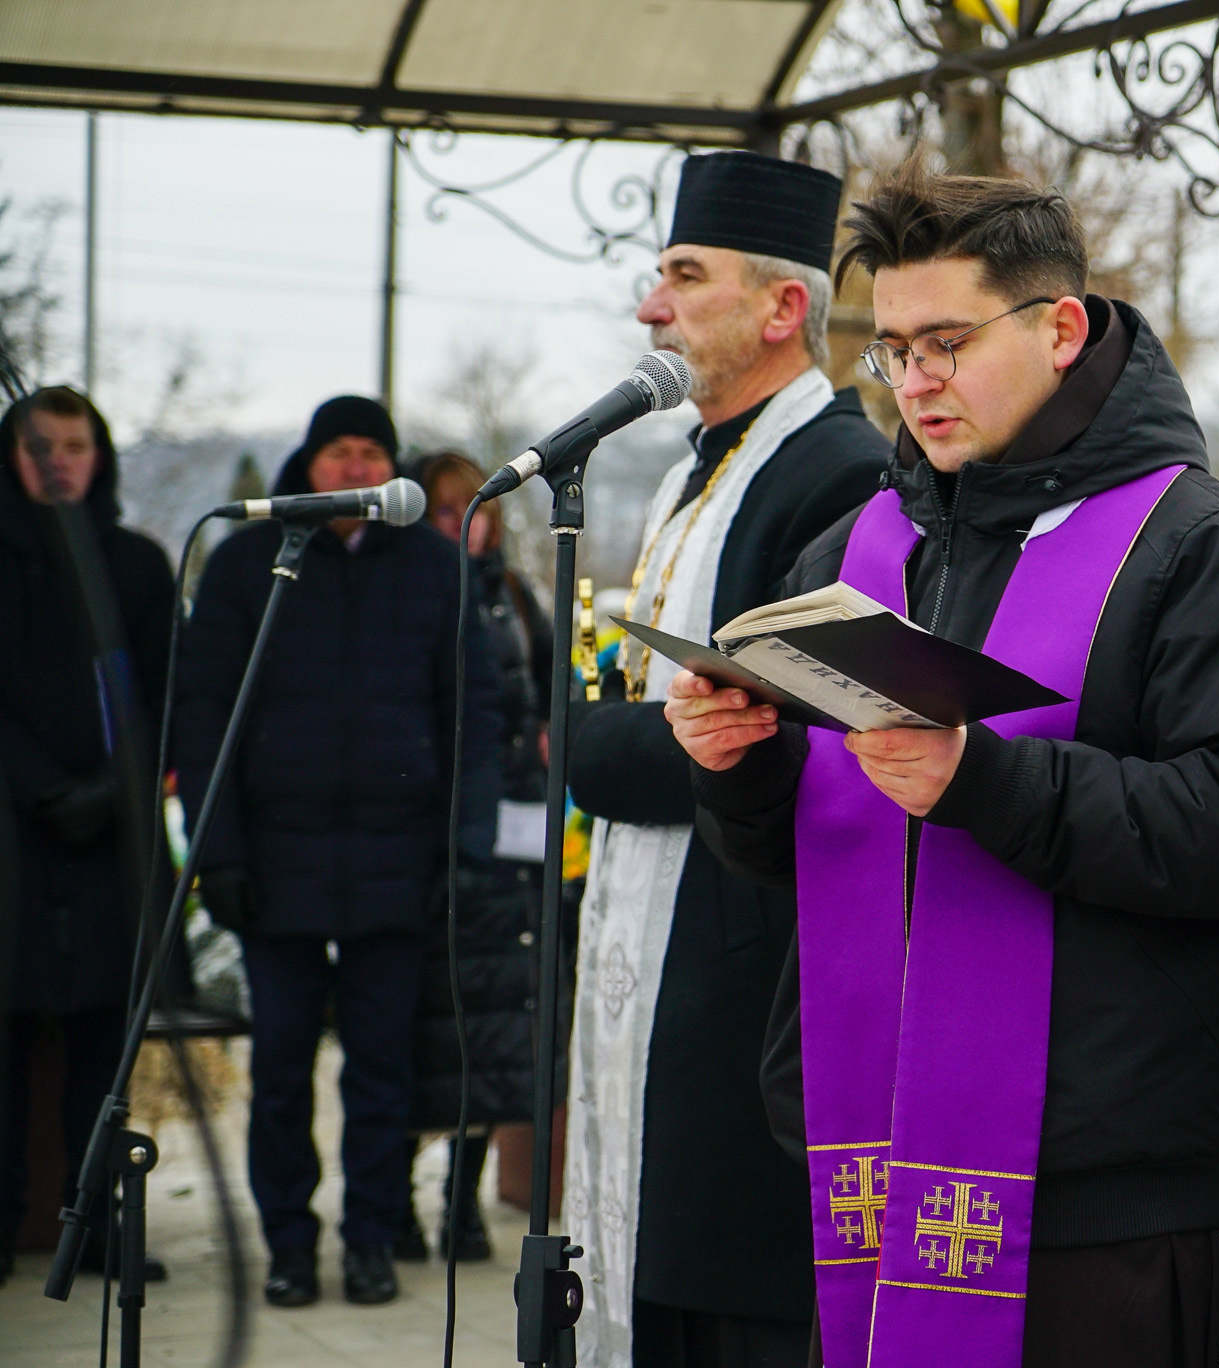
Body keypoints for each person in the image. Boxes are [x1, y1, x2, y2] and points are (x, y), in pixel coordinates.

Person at [670, 165, 1219, 1368]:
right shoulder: (859, 548)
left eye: (946, 342)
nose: (915, 380)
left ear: (1059, 326)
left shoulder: (1198, 549)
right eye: (890, 350)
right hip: (868, 1164)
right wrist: (741, 767)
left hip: (1095, 1196)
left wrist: (984, 782)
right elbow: (799, 858)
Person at [560, 150, 892, 1368]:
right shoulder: (691, 473)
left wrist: (604, 743)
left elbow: (788, 724)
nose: (653, 308)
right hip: (663, 925)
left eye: (683, 278)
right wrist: (624, 735)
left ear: (781, 306)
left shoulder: (838, 475)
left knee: (729, 1291)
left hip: (743, 944)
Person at [174, 396, 500, 1308]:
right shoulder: (250, 562)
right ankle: (286, 1241)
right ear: (307, 465)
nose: (355, 468)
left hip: (399, 861)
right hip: (276, 862)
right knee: (279, 1068)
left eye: (371, 452)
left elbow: (471, 712)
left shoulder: (435, 567)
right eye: (337, 452)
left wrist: (462, 844)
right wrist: (218, 853)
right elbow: (204, 719)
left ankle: (369, 1238)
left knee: (381, 1068)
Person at [0, 386, 175, 1285]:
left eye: (75, 444)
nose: (59, 460)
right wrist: (38, 788)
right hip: (13, 839)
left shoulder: (135, 563)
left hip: (112, 837)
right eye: (41, 445)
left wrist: (112, 789)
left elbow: (162, 690)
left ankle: (95, 1220)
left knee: (104, 1045)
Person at [393, 450, 553, 1264]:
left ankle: (459, 1202)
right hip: (433, 844)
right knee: (426, 1031)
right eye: (449, 513)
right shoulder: (408, 598)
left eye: (476, 510)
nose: (467, 527)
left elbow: (555, 690)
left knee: (497, 1035)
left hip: (516, 845)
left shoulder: (516, 598)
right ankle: (397, 1202)